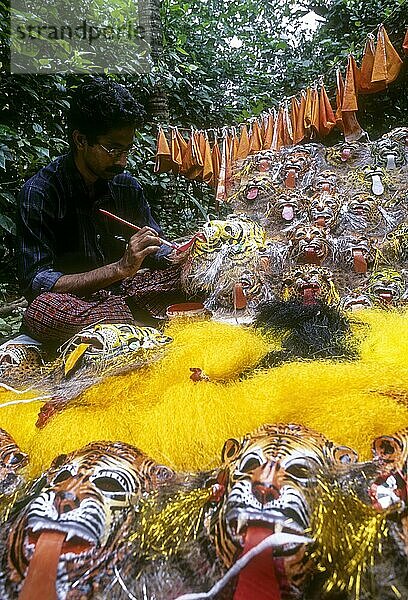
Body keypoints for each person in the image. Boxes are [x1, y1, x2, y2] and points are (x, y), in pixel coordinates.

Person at [14, 77, 185, 349]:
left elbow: (155, 249)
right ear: (81, 140)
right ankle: (135, 323)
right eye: (112, 149)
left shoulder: (126, 186)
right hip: (76, 304)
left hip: (127, 294)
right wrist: (118, 269)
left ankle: (122, 325)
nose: (122, 160)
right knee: (42, 310)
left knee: (187, 278)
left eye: (127, 149)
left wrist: (182, 254)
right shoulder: (40, 193)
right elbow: (37, 284)